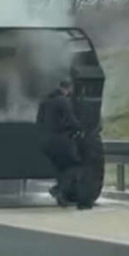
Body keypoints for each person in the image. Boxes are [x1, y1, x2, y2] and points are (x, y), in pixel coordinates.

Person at [36, 78, 84, 209]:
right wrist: (80, 128)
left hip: (45, 141)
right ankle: (58, 190)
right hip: (60, 139)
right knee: (74, 166)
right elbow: (71, 121)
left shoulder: (44, 101)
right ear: (68, 88)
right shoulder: (63, 101)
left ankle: (61, 198)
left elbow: (39, 122)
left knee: (60, 169)